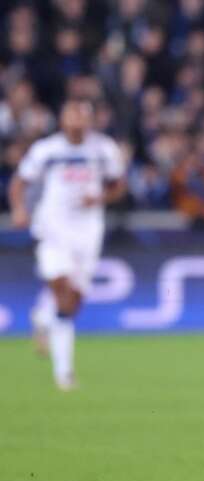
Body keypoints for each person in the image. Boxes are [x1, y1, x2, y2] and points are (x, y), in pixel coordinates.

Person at [8, 99, 126, 390]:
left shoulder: (103, 149)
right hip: (53, 227)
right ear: (62, 120)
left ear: (90, 120)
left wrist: (99, 198)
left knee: (74, 300)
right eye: (71, 115)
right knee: (61, 289)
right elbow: (19, 182)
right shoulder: (47, 150)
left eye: (82, 116)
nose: (76, 121)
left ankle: (43, 317)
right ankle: (64, 373)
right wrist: (19, 209)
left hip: (88, 230)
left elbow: (118, 185)